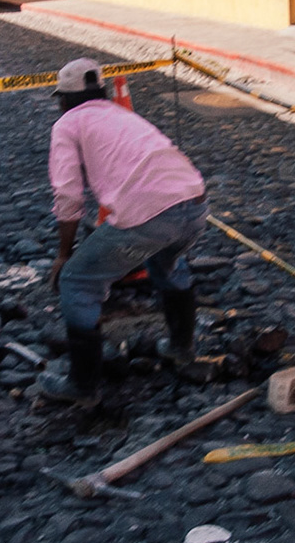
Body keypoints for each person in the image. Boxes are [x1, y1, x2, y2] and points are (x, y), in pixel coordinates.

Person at [41, 58, 208, 406]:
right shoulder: (123, 114)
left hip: (149, 215)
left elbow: (68, 195)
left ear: (63, 100)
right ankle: (181, 349)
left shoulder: (67, 124)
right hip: (194, 203)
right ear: (100, 91)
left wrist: (63, 254)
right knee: (168, 264)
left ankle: (82, 385)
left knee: (77, 281)